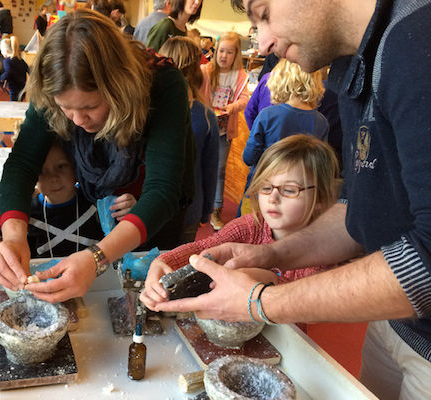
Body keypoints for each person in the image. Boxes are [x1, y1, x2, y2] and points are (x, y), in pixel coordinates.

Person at [154, 0, 431, 398]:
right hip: (396, 322)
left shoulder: (416, 42)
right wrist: (271, 256)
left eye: (263, 13)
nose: (263, 42)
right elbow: (358, 211)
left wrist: (260, 302)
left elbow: (426, 261)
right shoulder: (358, 60)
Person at [0, 9, 195, 303]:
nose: (77, 120)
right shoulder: (53, 87)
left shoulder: (162, 84)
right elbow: (22, 163)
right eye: (65, 108)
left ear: (119, 86)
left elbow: (162, 191)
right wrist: (13, 237)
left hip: (158, 217)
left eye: (90, 106)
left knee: (153, 299)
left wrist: (97, 257)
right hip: (99, 208)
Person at [141, 134, 340, 307]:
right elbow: (205, 246)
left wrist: (270, 283)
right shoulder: (250, 227)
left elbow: (307, 304)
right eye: (266, 187)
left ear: (320, 199)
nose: (273, 198)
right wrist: (162, 261)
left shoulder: (323, 253)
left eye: (289, 190)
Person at [240, 58, 328, 215]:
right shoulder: (321, 122)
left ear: (279, 81)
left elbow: (249, 156)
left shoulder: (267, 115)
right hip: (298, 193)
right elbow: (321, 165)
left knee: (250, 231)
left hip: (263, 188)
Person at [27, 138, 137, 258]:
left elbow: (129, 243)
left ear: (76, 166)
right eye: (42, 171)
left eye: (61, 166)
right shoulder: (27, 215)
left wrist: (133, 213)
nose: (53, 177)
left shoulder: (98, 203)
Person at [159, 37, 218, 243]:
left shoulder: (151, 112)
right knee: (179, 265)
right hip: (190, 207)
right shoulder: (206, 117)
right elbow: (210, 170)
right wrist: (207, 210)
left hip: (152, 206)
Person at [200, 32, 249, 231]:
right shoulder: (206, 70)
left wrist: (233, 107)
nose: (224, 56)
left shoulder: (240, 76)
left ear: (235, 54)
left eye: (229, 53)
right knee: (200, 166)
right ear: (216, 51)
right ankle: (201, 207)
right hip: (205, 127)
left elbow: (245, 99)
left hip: (223, 131)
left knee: (219, 169)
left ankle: (216, 209)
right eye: (221, 51)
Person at [0, 36, 29, 101]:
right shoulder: (20, 59)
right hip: (23, 86)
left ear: (6, 51)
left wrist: (2, 78)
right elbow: (27, 69)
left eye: (1, 50)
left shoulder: (7, 61)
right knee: (19, 101)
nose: (1, 52)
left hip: (14, 87)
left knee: (14, 102)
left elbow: (8, 72)